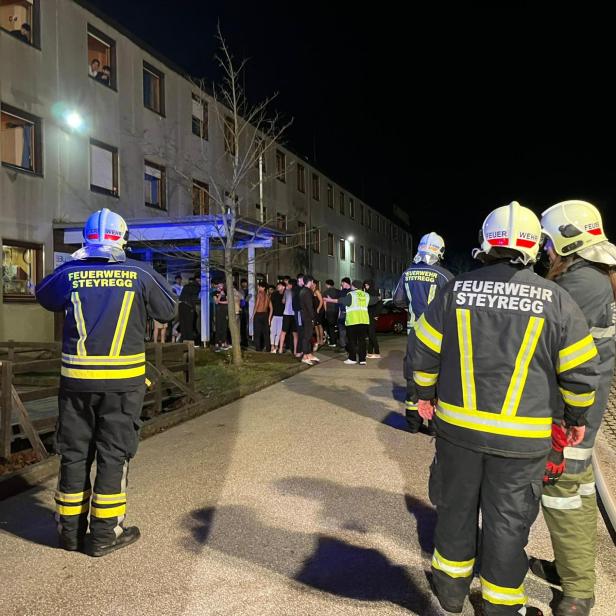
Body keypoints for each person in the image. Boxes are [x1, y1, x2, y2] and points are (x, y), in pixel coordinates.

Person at [412, 202, 599, 616]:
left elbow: (422, 348)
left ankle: (450, 593)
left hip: (459, 433)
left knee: (456, 511)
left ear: (485, 242)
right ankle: (501, 606)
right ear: (532, 247)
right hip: (522, 442)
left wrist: (423, 393)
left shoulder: (455, 290)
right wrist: (576, 419)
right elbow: (581, 372)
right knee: (508, 523)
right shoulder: (557, 300)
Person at [35, 208, 176, 556]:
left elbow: (44, 295)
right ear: (122, 239)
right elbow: (169, 309)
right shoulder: (139, 273)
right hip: (122, 386)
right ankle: (104, 535)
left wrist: (76, 266)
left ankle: (69, 534)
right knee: (114, 455)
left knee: (74, 454)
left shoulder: (70, 273)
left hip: (76, 384)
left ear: (86, 239)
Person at [527, 201, 616, 616]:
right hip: (580, 407)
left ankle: (578, 591)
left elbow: (541, 341)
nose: (546, 250)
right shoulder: (594, 277)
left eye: (548, 242)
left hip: (569, 412)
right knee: (575, 491)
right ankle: (570, 568)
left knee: (564, 493)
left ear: (568, 239)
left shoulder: (580, 285)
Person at [393, 232, 453, 434]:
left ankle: (412, 423)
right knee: (437, 377)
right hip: (437, 335)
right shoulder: (445, 276)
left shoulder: (407, 273)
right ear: (440, 252)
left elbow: (398, 300)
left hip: (414, 334)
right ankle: (434, 425)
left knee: (413, 375)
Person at [325, 279, 378, 365]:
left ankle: (352, 358)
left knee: (352, 341)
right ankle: (362, 360)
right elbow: (374, 300)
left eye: (352, 285)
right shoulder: (366, 295)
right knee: (362, 341)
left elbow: (341, 301)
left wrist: (329, 300)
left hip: (353, 321)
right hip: (363, 322)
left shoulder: (351, 295)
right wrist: (379, 297)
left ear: (354, 286)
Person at [299, 275, 318, 364]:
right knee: (307, 336)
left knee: (308, 336)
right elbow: (310, 306)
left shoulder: (302, 291)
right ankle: (305, 356)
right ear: (310, 281)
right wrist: (313, 317)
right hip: (307, 317)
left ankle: (309, 354)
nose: (313, 283)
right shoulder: (307, 291)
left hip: (304, 315)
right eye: (312, 282)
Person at [178, 276, 200, 344]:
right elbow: (195, 298)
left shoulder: (186, 286)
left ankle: (184, 339)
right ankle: (189, 340)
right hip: (188, 306)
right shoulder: (196, 286)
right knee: (189, 324)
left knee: (183, 323)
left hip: (181, 305)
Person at [364, 280, 382, 359]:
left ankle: (377, 352)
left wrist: (376, 315)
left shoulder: (371, 293)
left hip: (371, 316)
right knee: (371, 334)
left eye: (367, 285)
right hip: (370, 315)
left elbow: (379, 305)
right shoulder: (374, 292)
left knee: (371, 334)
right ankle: (370, 352)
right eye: (365, 285)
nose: (366, 287)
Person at [279, 278, 298, 355]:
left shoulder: (287, 291)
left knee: (283, 332)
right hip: (295, 314)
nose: (287, 285)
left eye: (288, 284)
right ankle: (295, 351)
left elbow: (283, 301)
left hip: (287, 314)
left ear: (291, 284)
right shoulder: (297, 292)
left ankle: (280, 349)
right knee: (295, 333)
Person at [253, 280, 272, 352]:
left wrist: (253, 315)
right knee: (266, 333)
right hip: (265, 314)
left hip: (258, 314)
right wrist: (269, 318)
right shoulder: (268, 296)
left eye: (259, 286)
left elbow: (256, 305)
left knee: (257, 332)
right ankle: (268, 348)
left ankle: (258, 348)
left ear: (263, 288)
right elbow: (271, 308)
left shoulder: (259, 294)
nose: (258, 287)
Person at [322, 279, 339, 347]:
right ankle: (338, 339)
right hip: (337, 310)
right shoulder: (338, 291)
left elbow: (324, 302)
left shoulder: (325, 292)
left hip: (329, 311)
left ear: (327, 284)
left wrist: (326, 311)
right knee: (336, 326)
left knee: (331, 326)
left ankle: (333, 342)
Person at [270, 281, 285, 353]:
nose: (278, 287)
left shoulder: (286, 294)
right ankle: (272, 346)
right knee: (273, 331)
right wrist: (270, 316)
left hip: (282, 316)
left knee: (279, 332)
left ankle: (276, 346)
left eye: (279, 286)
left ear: (283, 287)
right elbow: (270, 305)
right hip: (274, 315)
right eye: (277, 286)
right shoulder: (274, 294)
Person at [213, 282, 229, 351]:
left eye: (222, 286)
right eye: (219, 286)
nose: (221, 287)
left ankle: (223, 342)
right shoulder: (214, 293)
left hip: (225, 312)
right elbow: (216, 302)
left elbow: (228, 302)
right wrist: (220, 295)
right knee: (218, 327)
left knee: (224, 327)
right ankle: (217, 343)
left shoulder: (226, 292)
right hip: (218, 312)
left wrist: (220, 302)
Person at [337, 278, 352, 351]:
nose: (341, 284)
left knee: (348, 330)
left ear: (346, 283)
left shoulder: (352, 292)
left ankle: (348, 345)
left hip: (349, 313)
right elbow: (339, 304)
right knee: (342, 329)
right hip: (343, 313)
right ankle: (344, 346)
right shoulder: (342, 292)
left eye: (342, 283)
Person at [292, 274, 305, 358]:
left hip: (301, 312)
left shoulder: (301, 289)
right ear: (299, 280)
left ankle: (302, 350)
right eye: (303, 279)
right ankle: (299, 351)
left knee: (302, 331)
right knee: (300, 331)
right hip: (299, 312)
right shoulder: (297, 289)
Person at [313, 280, 325, 349]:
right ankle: (318, 340)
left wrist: (318, 308)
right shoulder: (311, 291)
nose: (312, 285)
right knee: (315, 325)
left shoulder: (316, 291)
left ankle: (321, 340)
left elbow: (321, 301)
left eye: (314, 284)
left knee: (319, 325)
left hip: (318, 310)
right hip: (314, 310)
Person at [239, 278, 250, 348]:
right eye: (243, 283)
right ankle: (244, 341)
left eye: (245, 282)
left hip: (247, 310)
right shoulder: (240, 291)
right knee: (242, 326)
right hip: (242, 310)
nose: (244, 284)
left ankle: (246, 341)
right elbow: (242, 302)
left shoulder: (249, 291)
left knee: (246, 326)